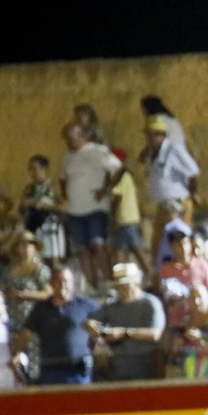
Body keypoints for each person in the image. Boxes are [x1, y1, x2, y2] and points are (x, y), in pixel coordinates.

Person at [59, 123, 122, 292]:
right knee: (82, 249)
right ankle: (92, 285)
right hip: (74, 209)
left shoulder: (97, 151)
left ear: (81, 136)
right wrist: (65, 195)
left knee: (98, 245)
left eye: (71, 138)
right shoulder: (68, 156)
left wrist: (105, 189)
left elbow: (118, 169)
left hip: (95, 207)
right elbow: (63, 178)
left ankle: (109, 283)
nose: (68, 142)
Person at [13, 266, 98, 385]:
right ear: (51, 284)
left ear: (73, 284)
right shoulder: (41, 308)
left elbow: (101, 329)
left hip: (79, 369)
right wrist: (17, 353)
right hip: (51, 369)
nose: (63, 285)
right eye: (59, 281)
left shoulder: (86, 305)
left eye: (66, 281)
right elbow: (26, 333)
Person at [88, 264, 165, 382]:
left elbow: (156, 334)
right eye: (119, 285)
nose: (122, 288)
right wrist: (94, 333)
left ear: (137, 283)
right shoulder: (111, 305)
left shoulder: (150, 303)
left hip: (146, 366)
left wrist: (124, 333)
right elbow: (93, 324)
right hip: (117, 368)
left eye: (125, 285)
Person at [143, 115, 200, 265]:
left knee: (178, 241)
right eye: (148, 134)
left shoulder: (173, 150)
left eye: (152, 134)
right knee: (158, 241)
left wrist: (192, 195)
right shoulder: (151, 153)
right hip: (164, 204)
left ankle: (185, 268)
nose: (148, 138)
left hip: (176, 203)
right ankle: (162, 270)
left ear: (161, 135)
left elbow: (193, 172)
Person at [20, 156, 65, 264]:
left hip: (50, 226)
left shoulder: (52, 185)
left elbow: (63, 206)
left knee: (53, 258)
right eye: (30, 169)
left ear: (44, 169)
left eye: (35, 168)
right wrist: (25, 205)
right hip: (34, 227)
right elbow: (21, 210)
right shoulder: (29, 188)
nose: (32, 172)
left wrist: (47, 206)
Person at [109, 151, 146, 276]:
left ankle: (148, 272)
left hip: (124, 219)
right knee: (122, 248)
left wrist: (113, 217)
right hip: (129, 218)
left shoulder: (122, 178)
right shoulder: (126, 176)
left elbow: (117, 199)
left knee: (133, 249)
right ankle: (119, 275)